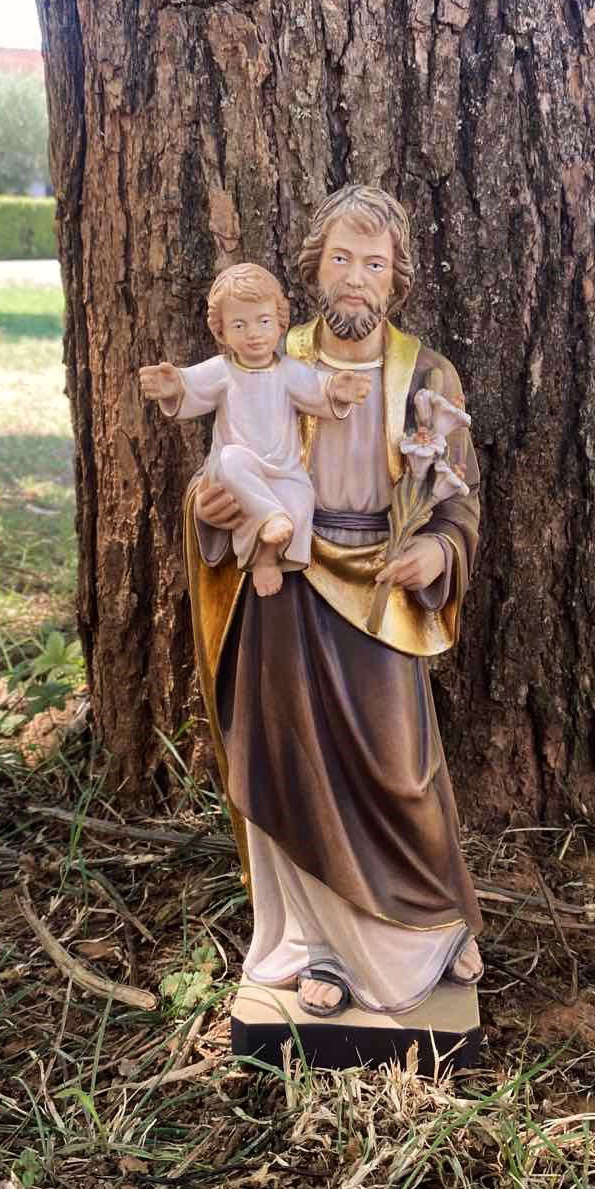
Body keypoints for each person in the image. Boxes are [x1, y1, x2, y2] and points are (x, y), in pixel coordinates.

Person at [186, 185, 484, 1017]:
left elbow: (460, 495)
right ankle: (317, 948)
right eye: (342, 259)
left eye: (375, 264)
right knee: (288, 764)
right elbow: (229, 455)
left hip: (381, 584)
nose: (356, 279)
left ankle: (432, 928)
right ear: (316, 265)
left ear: (396, 281)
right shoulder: (269, 357)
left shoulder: (424, 371)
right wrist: (211, 510)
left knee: (400, 766)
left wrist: (438, 547)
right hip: (286, 575)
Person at [140, 263, 370, 596]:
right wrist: (173, 386)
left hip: (283, 472)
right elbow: (190, 387)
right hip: (239, 473)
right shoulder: (222, 371)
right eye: (239, 324)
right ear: (221, 332)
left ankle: (267, 555)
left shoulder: (290, 372)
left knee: (301, 497)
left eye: (263, 321)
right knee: (232, 459)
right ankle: (271, 520)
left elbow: (319, 391)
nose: (253, 333)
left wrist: (339, 390)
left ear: (280, 323)